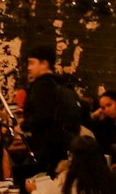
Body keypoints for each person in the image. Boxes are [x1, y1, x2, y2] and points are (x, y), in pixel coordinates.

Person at [19, 43, 79, 172]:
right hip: (64, 145)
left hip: (45, 148)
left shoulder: (42, 85)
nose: (29, 67)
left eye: (32, 63)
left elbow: (43, 115)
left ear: (44, 64)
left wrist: (23, 125)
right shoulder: (62, 83)